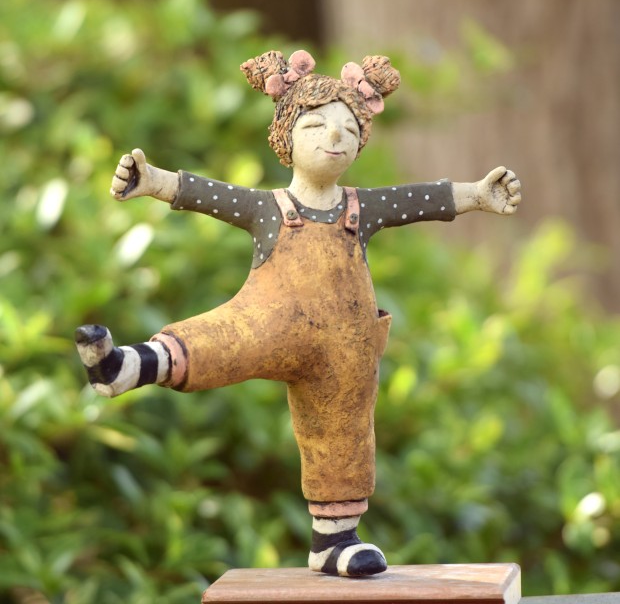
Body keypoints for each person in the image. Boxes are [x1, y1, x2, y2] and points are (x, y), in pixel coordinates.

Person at [75, 50, 521, 578]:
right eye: (316, 126)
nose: (335, 137)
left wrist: (478, 195)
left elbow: (419, 199)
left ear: (359, 143)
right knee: (215, 341)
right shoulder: (269, 209)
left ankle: (335, 541)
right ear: (287, 137)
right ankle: (123, 367)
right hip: (264, 323)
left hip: (343, 350)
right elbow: (212, 196)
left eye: (349, 129)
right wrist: (153, 181)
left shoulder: (362, 208)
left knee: (344, 436)